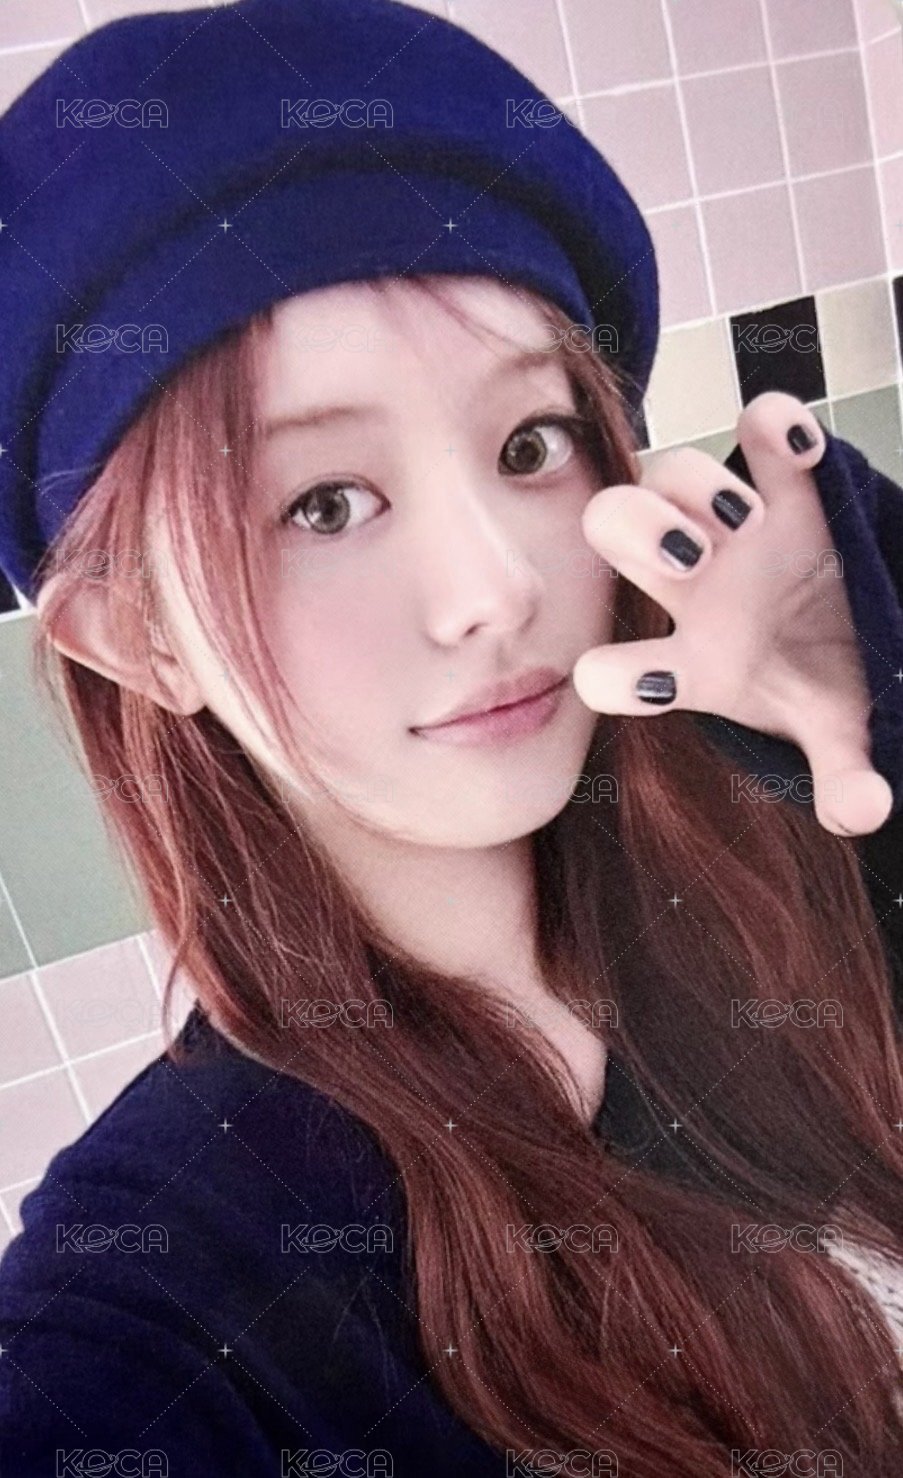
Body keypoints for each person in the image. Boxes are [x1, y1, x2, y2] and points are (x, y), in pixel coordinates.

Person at [1, 2, 902, 1474]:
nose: (493, 590)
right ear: (138, 635)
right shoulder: (183, 1280)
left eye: (529, 445)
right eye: (324, 504)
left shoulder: (801, 842)